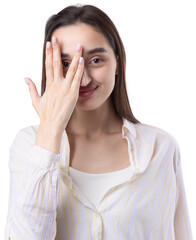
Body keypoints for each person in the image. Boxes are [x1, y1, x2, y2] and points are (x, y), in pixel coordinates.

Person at [4, 4, 193, 240]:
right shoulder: (28, 145)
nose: (81, 79)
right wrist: (50, 130)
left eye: (95, 60)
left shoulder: (160, 148)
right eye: (65, 64)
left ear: (117, 61)